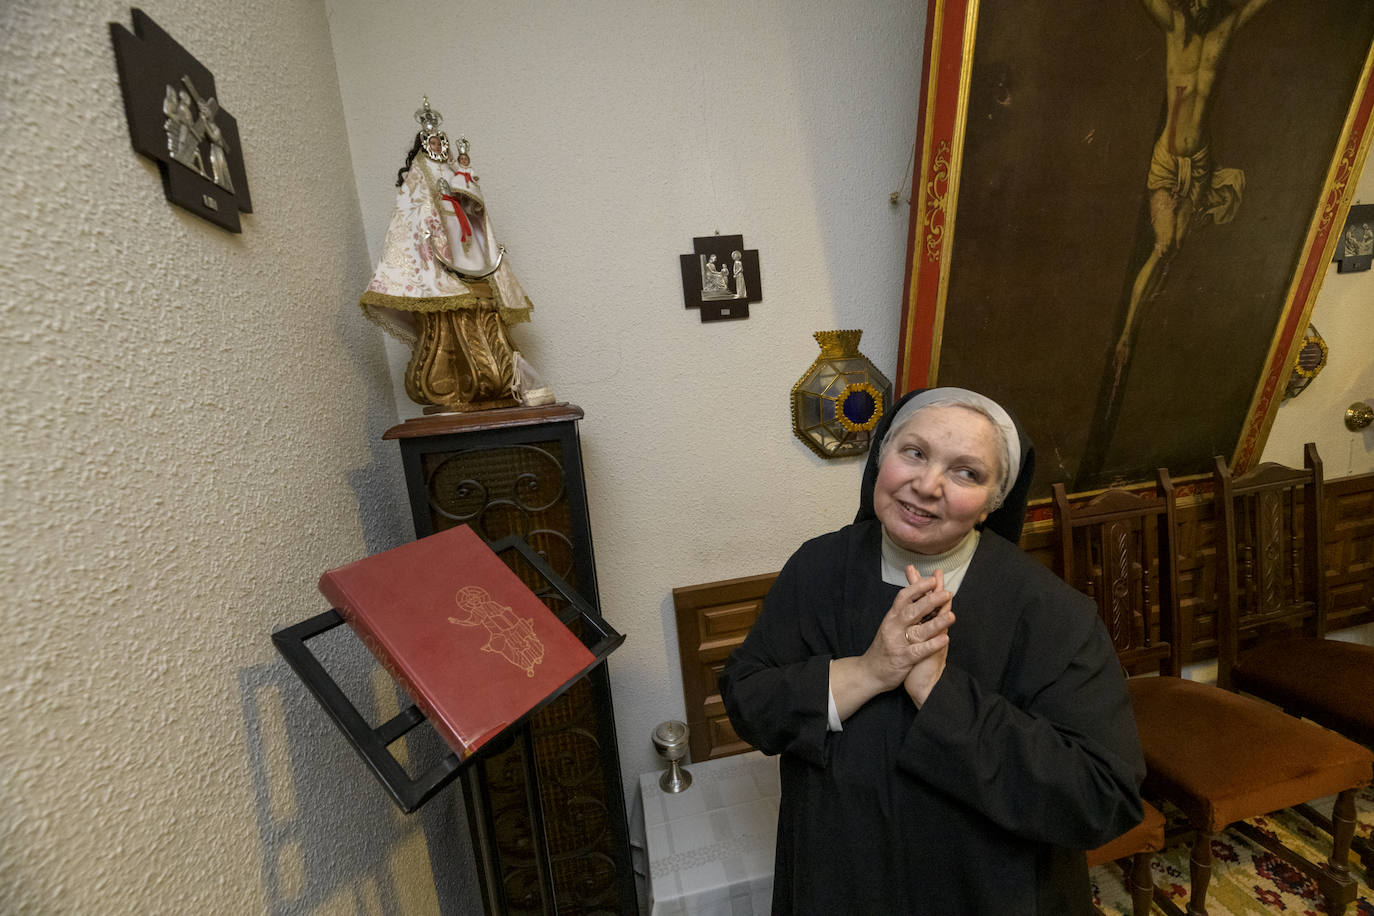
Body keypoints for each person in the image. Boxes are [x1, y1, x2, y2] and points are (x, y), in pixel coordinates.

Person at [720, 387, 1145, 914]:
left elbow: (1102, 797)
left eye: (967, 472)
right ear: (881, 457)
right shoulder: (816, 568)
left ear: (994, 503)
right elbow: (748, 702)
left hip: (982, 892)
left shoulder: (1051, 612)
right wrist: (869, 671)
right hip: (837, 879)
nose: (926, 486)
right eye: (914, 453)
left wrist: (941, 695)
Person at [1114, 0, 1274, 390]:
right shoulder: (1175, 28)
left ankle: (1151, 336)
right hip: (1168, 160)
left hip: (1200, 159)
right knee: (1164, 245)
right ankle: (1126, 340)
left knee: (1179, 245)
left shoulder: (1223, 33)